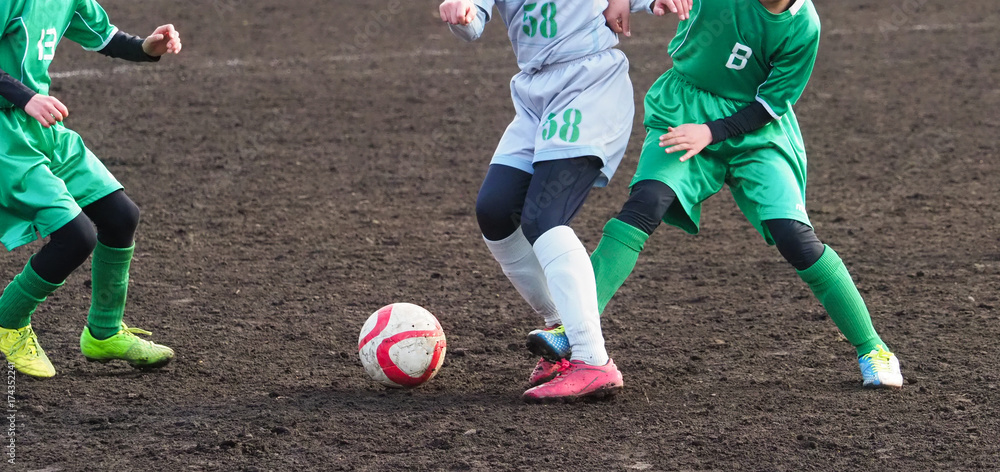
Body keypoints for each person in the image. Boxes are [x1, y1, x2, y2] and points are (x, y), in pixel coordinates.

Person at [561, 0, 903, 388]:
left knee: (795, 238)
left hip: (758, 133)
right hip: (685, 109)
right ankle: (572, 326)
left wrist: (712, 132)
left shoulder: (803, 26)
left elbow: (770, 105)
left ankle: (873, 348)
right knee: (647, 202)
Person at [439, 0, 692, 402]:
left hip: (588, 85)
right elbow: (472, 22)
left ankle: (592, 360)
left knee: (544, 218)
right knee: (495, 211)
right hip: (534, 94)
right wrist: (460, 11)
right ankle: (562, 330)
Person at [0, 0, 182, 379]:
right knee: (76, 237)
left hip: (41, 127)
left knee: (120, 217)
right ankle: (8, 321)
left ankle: (104, 332)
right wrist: (26, 96)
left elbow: (105, 36)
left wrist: (146, 47)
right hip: (6, 137)